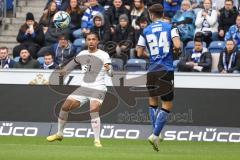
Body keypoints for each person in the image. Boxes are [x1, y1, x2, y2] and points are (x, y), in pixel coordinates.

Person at [46, 32, 113, 147]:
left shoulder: (103, 55)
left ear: (97, 41)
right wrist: (65, 70)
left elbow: (111, 74)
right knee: (65, 106)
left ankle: (97, 140)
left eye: (93, 39)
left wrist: (108, 69)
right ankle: (59, 134)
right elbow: (72, 64)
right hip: (84, 88)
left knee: (94, 109)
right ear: (86, 41)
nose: (91, 41)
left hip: (98, 88)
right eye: (89, 39)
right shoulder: (82, 53)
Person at [137, 4, 181, 151]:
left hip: (152, 70)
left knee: (152, 101)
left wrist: (153, 56)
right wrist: (175, 50)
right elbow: (177, 44)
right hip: (165, 69)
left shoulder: (146, 30)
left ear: (151, 14)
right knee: (167, 104)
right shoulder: (170, 27)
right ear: (162, 14)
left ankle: (156, 132)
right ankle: (155, 134)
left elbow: (139, 52)